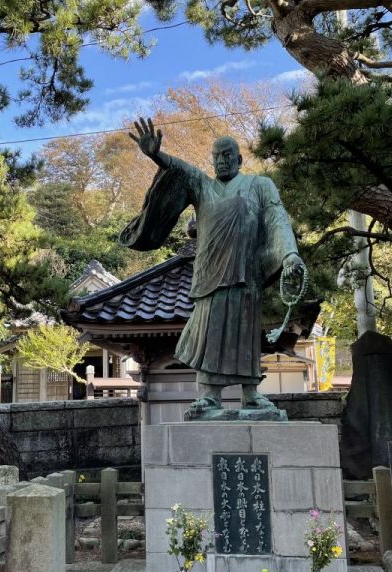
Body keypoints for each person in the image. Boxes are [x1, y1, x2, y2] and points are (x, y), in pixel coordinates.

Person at [121, 117, 306, 411]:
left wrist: (289, 254)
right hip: (210, 271)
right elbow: (182, 170)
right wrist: (156, 155)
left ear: (240, 159)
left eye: (227, 155)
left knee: (245, 331)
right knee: (210, 331)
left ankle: (250, 394)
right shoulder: (203, 187)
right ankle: (209, 395)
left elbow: (276, 219)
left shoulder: (260, 185)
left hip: (247, 271)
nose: (221, 161)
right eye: (216, 157)